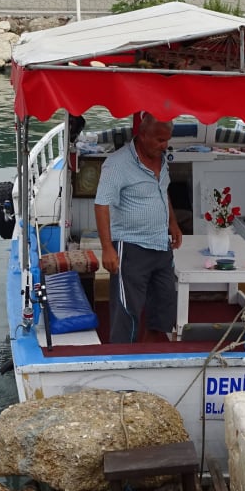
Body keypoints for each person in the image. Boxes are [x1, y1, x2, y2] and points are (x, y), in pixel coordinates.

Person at [94, 113, 182, 343]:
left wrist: (172, 223)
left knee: (164, 306)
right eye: (160, 140)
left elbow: (162, 191)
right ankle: (122, 360)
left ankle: (151, 352)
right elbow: (101, 204)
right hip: (130, 246)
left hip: (160, 244)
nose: (164, 146)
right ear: (142, 135)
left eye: (167, 140)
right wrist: (107, 249)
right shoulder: (117, 163)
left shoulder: (162, 160)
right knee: (127, 311)